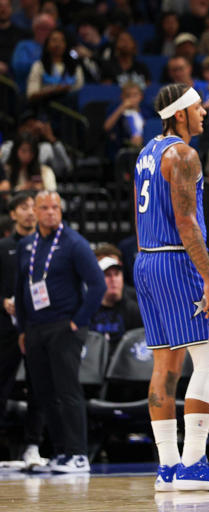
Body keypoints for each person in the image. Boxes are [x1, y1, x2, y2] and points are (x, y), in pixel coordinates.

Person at [133, 83, 209, 491]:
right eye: (198, 107)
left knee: (166, 366)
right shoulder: (183, 154)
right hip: (176, 260)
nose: (204, 113)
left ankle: (168, 468)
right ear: (180, 114)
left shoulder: (147, 152)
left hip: (147, 260)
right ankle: (194, 462)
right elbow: (186, 222)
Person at [15, 191, 106, 473]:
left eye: (55, 207)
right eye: (45, 207)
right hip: (35, 328)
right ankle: (61, 452)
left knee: (67, 390)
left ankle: (78, 454)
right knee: (44, 393)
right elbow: (20, 288)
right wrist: (22, 327)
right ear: (35, 211)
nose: (51, 212)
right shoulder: (27, 245)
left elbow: (98, 285)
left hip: (64, 326)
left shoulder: (74, 243)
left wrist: (78, 321)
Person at [0, 192, 46, 470]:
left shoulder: (45, 246)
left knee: (38, 387)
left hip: (36, 326)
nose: (29, 212)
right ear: (13, 213)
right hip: (6, 328)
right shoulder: (4, 246)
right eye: (23, 207)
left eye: (32, 207)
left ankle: (33, 446)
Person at [89, 251, 142, 353]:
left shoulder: (134, 310)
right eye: (107, 275)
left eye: (117, 274)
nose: (113, 279)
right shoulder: (88, 310)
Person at [26, 29, 84, 103]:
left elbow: (80, 91)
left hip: (71, 107)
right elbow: (31, 95)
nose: (58, 44)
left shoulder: (75, 67)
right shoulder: (38, 66)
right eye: (54, 40)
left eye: (61, 41)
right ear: (47, 45)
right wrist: (54, 90)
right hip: (47, 106)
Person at [103, 81, 145, 150]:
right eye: (128, 95)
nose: (131, 98)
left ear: (141, 96)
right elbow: (106, 127)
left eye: (135, 95)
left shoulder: (147, 111)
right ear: (122, 96)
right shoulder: (115, 109)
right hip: (123, 147)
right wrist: (122, 108)